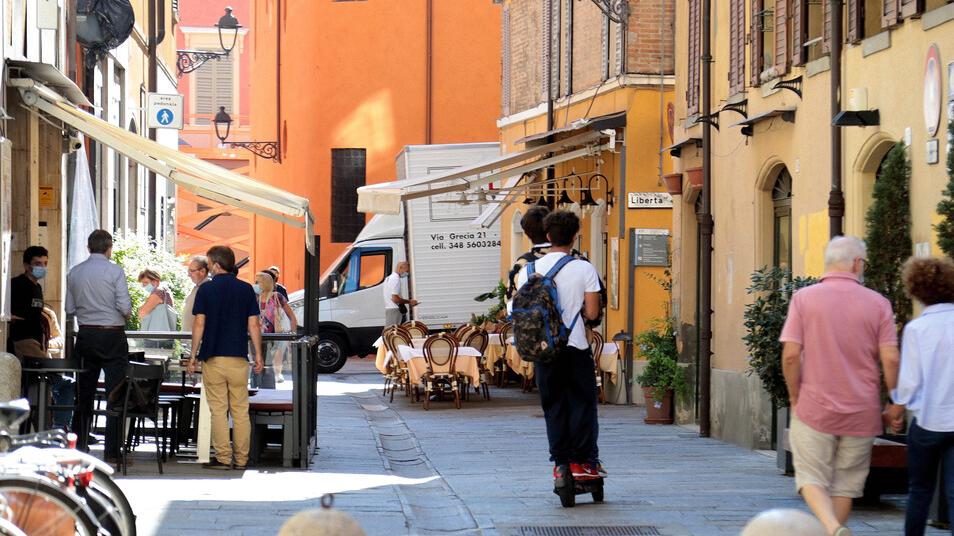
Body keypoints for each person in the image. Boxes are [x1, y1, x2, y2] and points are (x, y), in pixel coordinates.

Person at [779, 236, 900, 536]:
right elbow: (891, 358)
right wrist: (895, 402)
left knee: (811, 477)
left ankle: (832, 527)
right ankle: (835, 529)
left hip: (814, 407)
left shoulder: (804, 299)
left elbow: (791, 355)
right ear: (857, 263)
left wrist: (795, 396)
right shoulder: (879, 303)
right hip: (862, 411)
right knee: (845, 485)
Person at [513, 210, 603, 483]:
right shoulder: (584, 268)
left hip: (543, 350)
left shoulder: (526, 272)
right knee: (582, 404)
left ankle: (560, 463)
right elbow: (592, 313)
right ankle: (581, 462)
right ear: (575, 236)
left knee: (553, 406)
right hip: (575, 346)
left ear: (548, 236)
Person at [884, 257, 954, 536]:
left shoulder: (917, 328)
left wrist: (895, 411)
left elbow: (910, 380)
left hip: (927, 420)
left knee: (919, 490)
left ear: (916, 289)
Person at [188, 245, 263, 470]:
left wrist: (193, 355)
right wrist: (258, 354)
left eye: (210, 264)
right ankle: (241, 459)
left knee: (219, 410)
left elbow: (199, 323)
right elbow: (254, 325)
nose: (209, 267)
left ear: (217, 265)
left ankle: (222, 458)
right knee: (240, 411)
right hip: (239, 358)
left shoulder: (206, 290)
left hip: (213, 357)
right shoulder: (246, 289)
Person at [67, 230, 133, 461]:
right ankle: (112, 451)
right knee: (115, 394)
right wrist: (125, 314)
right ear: (109, 248)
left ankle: (79, 446)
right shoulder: (115, 271)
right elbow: (124, 306)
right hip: (112, 336)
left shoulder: (75, 272)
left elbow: (69, 309)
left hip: (86, 335)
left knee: (83, 393)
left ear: (89, 247)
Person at [507, 205, 606, 327]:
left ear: (527, 234)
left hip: (537, 334)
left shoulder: (523, 267)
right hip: (574, 333)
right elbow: (596, 308)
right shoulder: (581, 262)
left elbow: (512, 305)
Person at [10, 246, 75, 430]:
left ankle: (57, 427)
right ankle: (58, 428)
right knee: (63, 383)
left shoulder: (37, 287)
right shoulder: (17, 285)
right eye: (38, 263)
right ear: (26, 265)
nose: (42, 267)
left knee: (61, 385)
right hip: (24, 343)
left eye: (45, 263)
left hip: (37, 345)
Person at [254, 271, 297, 386]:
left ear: (265, 283)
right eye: (255, 282)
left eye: (258, 282)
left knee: (269, 365)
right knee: (257, 365)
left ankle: (269, 386)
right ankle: (257, 387)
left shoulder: (277, 296)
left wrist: (293, 335)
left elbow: (291, 316)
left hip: (274, 336)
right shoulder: (255, 297)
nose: (255, 285)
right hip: (258, 336)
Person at [383, 261, 417, 326]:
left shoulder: (388, 278)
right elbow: (395, 298)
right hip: (395, 310)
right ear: (401, 268)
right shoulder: (396, 279)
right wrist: (409, 301)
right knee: (394, 331)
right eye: (407, 271)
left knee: (390, 330)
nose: (407, 273)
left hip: (390, 309)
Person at [182, 256, 211, 332]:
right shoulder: (197, 288)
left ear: (203, 271)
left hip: (198, 337)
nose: (189, 274)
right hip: (189, 336)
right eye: (188, 271)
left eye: (192, 271)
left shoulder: (208, 289)